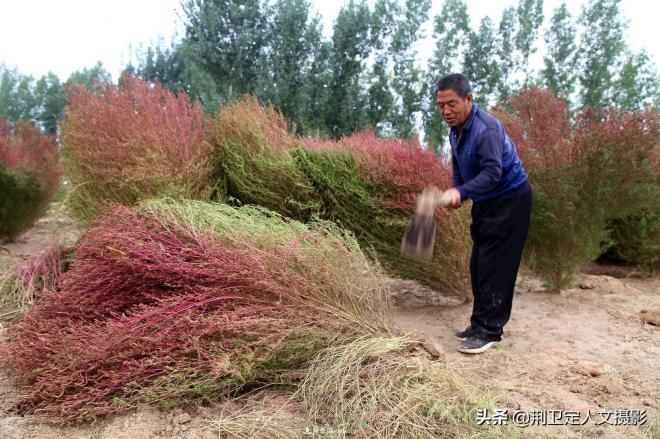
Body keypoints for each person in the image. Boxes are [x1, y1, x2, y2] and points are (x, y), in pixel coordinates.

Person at [436, 73, 532, 354]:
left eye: (451, 104)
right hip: (487, 202)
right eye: (441, 105)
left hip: (510, 200)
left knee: (495, 266)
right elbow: (458, 167)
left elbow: (493, 173)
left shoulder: (485, 129)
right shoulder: (456, 130)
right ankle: (478, 325)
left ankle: (489, 332)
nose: (446, 111)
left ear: (468, 99)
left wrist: (461, 193)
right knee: (478, 264)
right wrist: (457, 189)